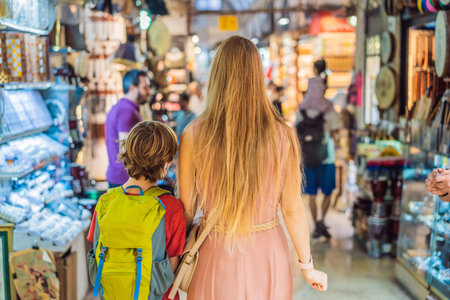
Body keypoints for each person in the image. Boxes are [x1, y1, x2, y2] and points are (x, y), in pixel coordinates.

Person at [178, 36, 327, 300]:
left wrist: (175, 258)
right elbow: (292, 208)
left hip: (214, 249)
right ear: (257, 77)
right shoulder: (282, 135)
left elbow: (187, 209)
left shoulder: (194, 134)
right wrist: (307, 266)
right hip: (269, 251)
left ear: (217, 76)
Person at [87, 121, 186, 300]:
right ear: (168, 163)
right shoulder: (170, 207)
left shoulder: (105, 202)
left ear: (127, 155)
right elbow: (172, 266)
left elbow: (96, 251)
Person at [296, 59, 341, 239]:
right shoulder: (328, 108)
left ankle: (315, 225)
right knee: (328, 191)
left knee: (311, 194)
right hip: (326, 156)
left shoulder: (302, 108)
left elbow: (295, 129)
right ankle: (322, 220)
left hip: (307, 157)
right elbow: (336, 132)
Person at [105, 70, 151, 188]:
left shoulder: (121, 107)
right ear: (132, 88)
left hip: (120, 177)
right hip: (126, 180)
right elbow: (126, 150)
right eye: (144, 88)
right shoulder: (127, 111)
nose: (148, 92)